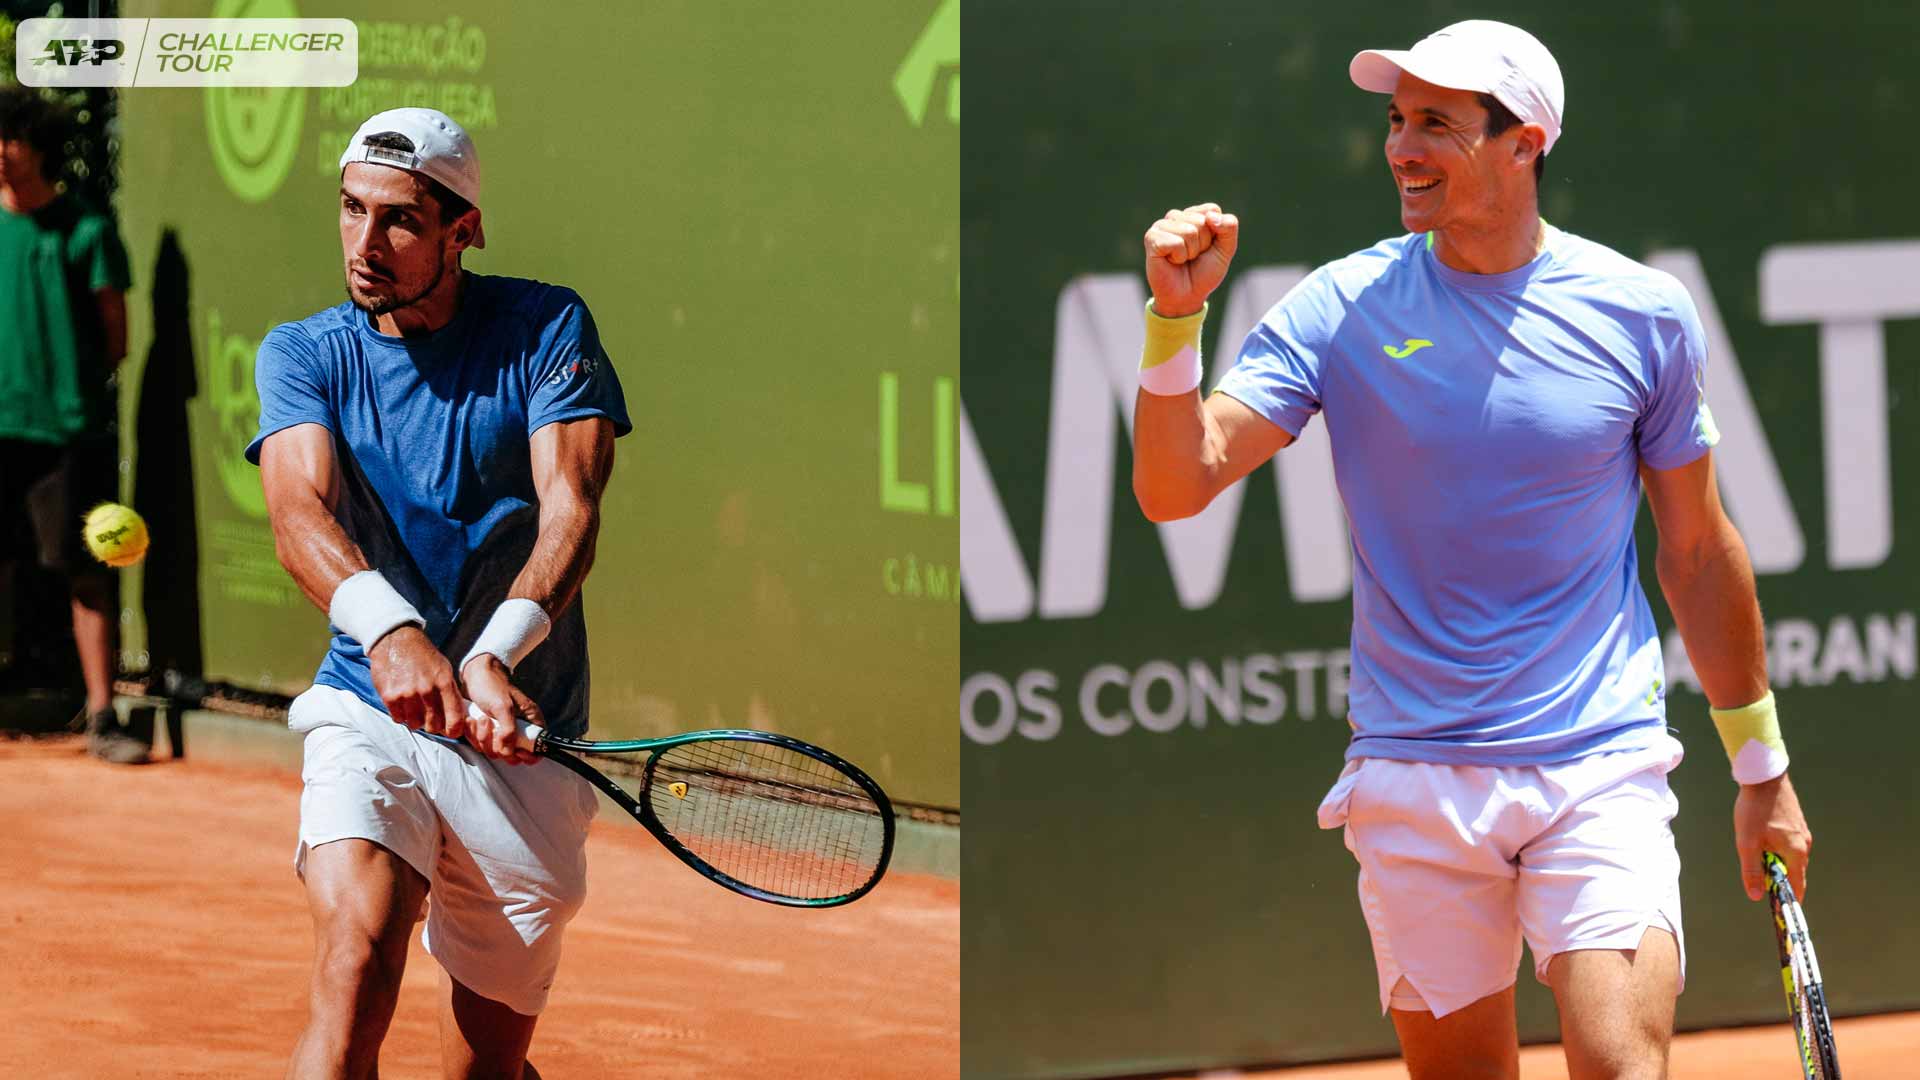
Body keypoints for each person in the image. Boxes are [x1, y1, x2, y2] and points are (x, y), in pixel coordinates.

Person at [1130, 20, 1813, 1080]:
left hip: (1598, 763)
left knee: (1624, 1068)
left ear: (1523, 142)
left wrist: (1762, 770)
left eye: (1437, 124)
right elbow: (1178, 484)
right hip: (1413, 777)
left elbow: (1694, 552)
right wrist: (1175, 327)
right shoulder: (1343, 305)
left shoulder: (1644, 315)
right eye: (1397, 120)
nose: (1402, 146)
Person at [248, 107, 629, 1079]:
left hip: (521, 737)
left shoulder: (546, 328)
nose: (365, 245)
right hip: (370, 707)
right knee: (355, 966)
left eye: (400, 221)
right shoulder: (306, 353)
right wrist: (390, 635)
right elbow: (299, 515)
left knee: (484, 1069)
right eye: (349, 210)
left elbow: (571, 509)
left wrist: (496, 651)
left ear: (464, 232)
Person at [0, 86, 142, 764]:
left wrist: (66, 387)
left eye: (11, 138)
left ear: (39, 148)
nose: (1, 152)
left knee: (86, 574)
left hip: (64, 430)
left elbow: (115, 334)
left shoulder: (86, 230)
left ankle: (104, 715)